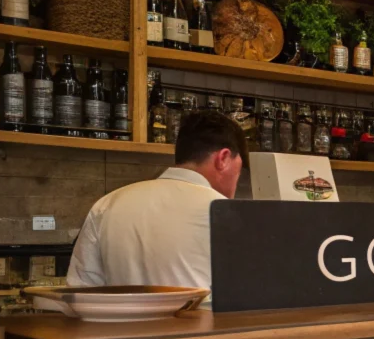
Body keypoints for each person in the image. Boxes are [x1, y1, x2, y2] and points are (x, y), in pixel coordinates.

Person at [68, 111, 246, 290]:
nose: (236, 183)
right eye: (239, 169)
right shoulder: (228, 213)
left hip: (122, 319)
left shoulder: (107, 205)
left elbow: (80, 292)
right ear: (223, 158)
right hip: (205, 318)